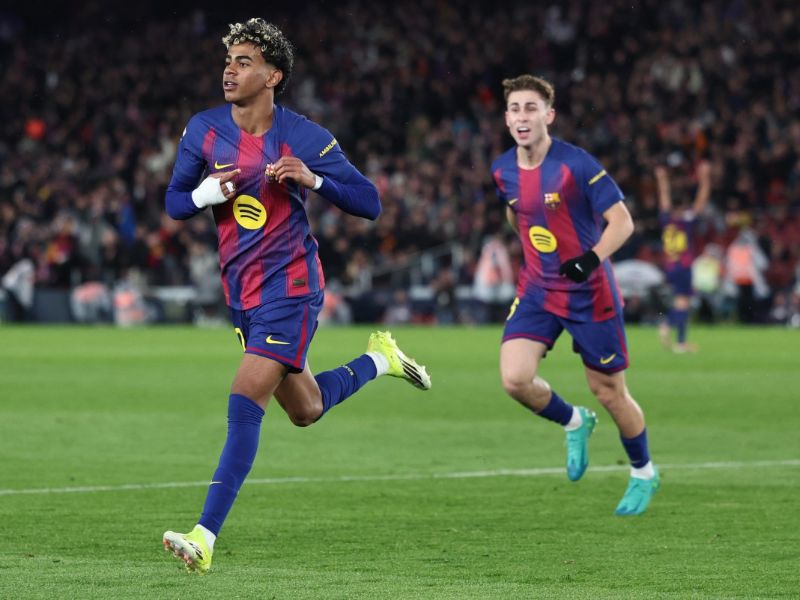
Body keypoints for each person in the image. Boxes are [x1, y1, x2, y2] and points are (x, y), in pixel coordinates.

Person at [161, 18, 431, 573]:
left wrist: (314, 180)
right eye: (228, 61)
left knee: (245, 399)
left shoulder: (304, 136)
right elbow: (173, 203)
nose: (229, 71)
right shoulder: (203, 130)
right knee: (305, 409)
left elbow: (369, 201)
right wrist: (202, 195)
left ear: (273, 76)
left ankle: (204, 537)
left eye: (243, 62)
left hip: (292, 286)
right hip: (241, 291)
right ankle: (380, 360)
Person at [490, 74, 659, 516]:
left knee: (609, 391)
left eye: (531, 108)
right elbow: (515, 212)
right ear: (506, 118)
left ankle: (643, 471)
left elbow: (622, 221)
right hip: (538, 289)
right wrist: (530, 249)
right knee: (514, 379)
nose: (522, 116)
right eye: (515, 109)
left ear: (549, 115)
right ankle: (574, 421)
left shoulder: (576, 165)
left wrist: (591, 258)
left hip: (588, 293)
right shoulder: (502, 169)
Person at [654, 160, 711, 352]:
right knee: (683, 302)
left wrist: (661, 179)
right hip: (683, 265)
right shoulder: (686, 222)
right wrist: (705, 178)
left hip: (670, 265)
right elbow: (701, 201)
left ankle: (678, 337)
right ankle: (674, 334)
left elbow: (664, 198)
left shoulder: (666, 220)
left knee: (682, 301)